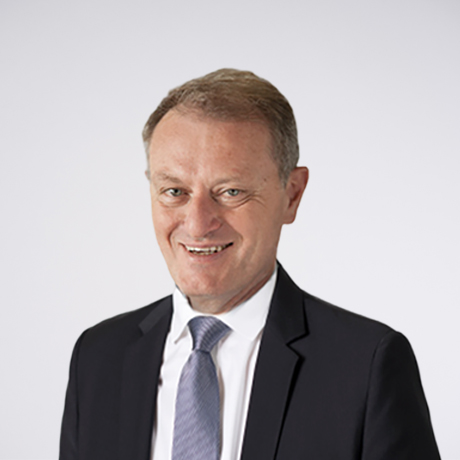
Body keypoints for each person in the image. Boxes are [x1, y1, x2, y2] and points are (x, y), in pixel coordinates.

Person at [59, 69, 441, 460]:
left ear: (292, 195)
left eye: (230, 191)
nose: (197, 224)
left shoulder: (365, 367)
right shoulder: (98, 358)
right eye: (174, 191)